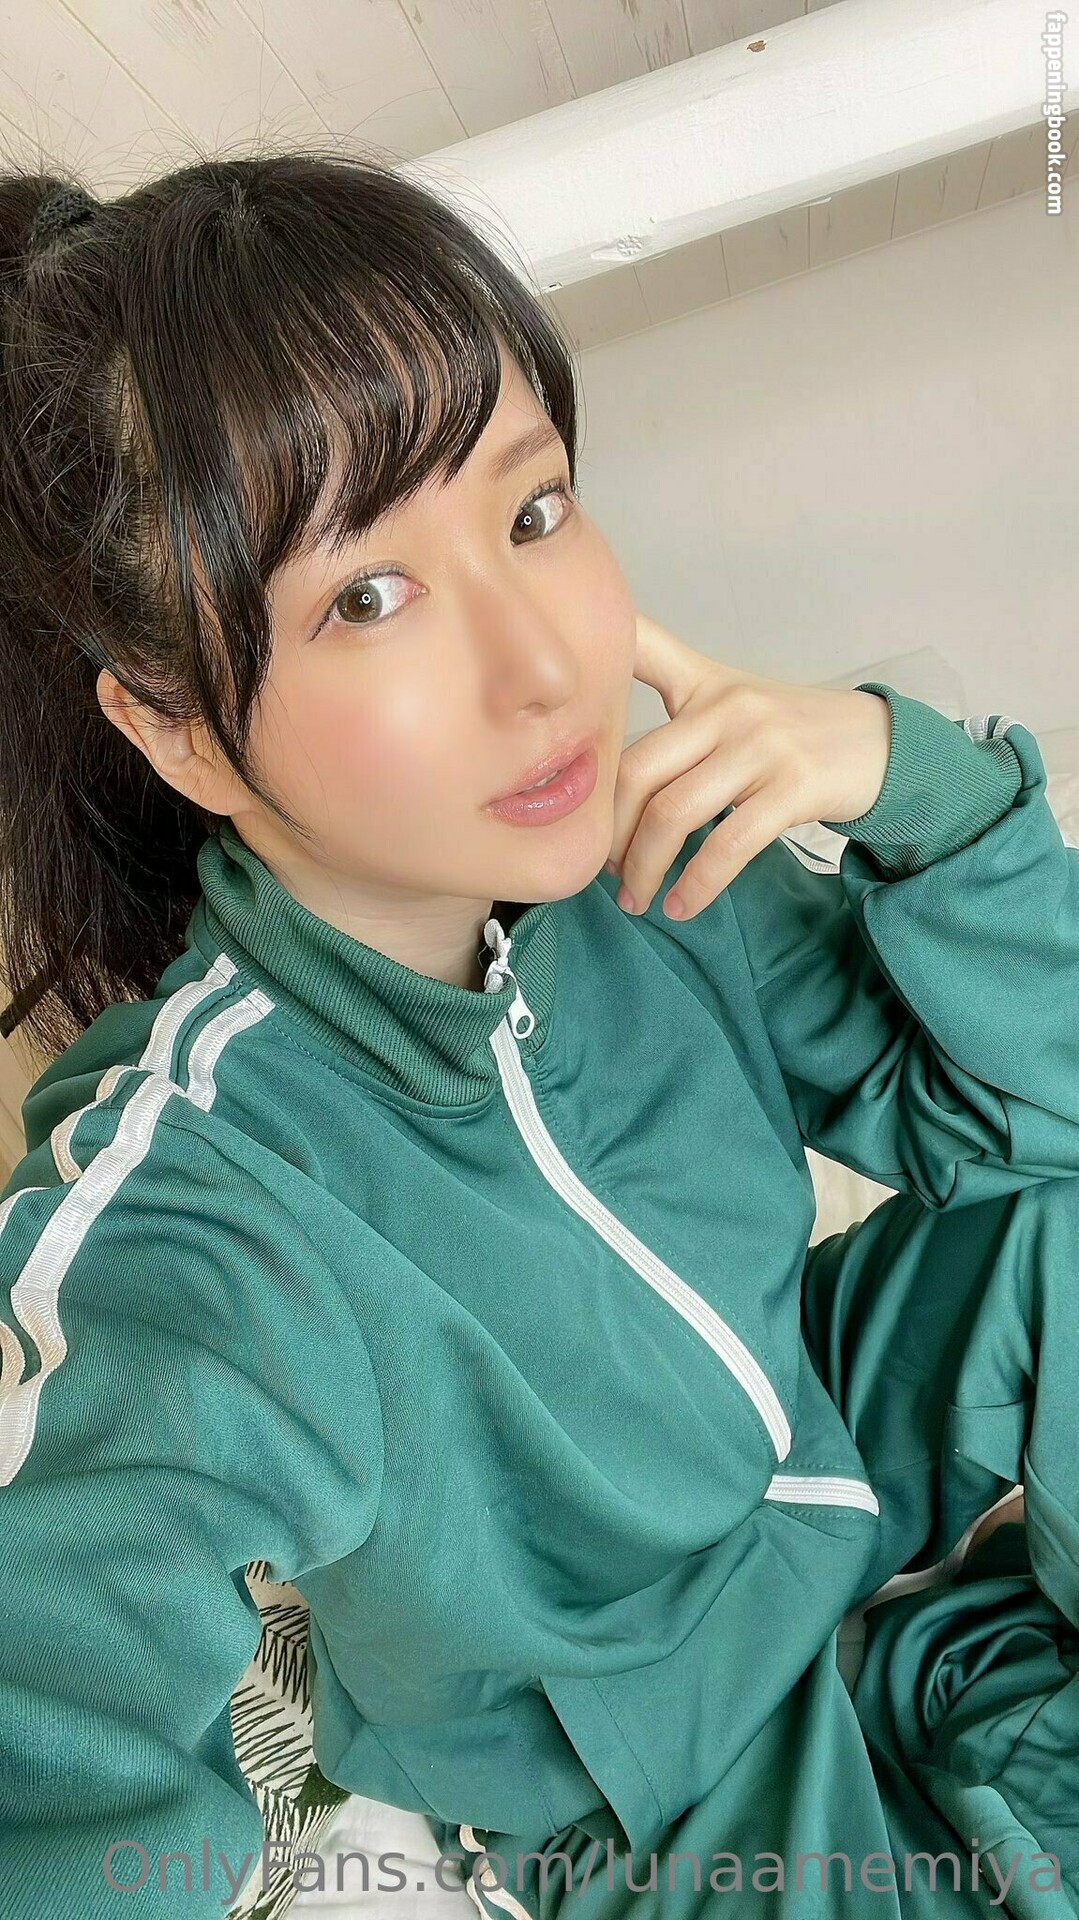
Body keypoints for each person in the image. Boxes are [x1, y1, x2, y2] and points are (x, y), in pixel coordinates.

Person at [0, 151, 1075, 1920]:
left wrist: (917, 783)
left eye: (532, 511)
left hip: (832, 1492)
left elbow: (1046, 1113)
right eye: (365, 595)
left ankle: (950, 1695)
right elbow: (50, 1735)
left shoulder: (653, 872)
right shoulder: (200, 1207)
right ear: (178, 731)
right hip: (647, 1791)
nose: (544, 671)